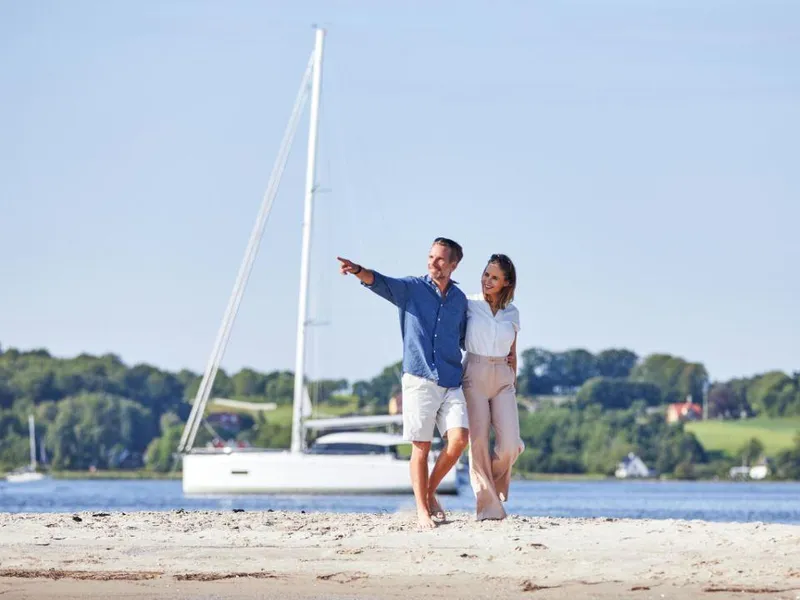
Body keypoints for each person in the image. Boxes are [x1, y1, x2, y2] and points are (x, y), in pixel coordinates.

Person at [337, 238, 469, 530]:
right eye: (431, 257)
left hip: (450, 379)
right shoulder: (411, 288)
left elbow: (465, 337)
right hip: (419, 378)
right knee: (420, 447)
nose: (433, 263)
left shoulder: (460, 300)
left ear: (453, 264)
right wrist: (358, 269)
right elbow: (379, 282)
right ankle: (423, 510)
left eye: (440, 259)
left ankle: (429, 492)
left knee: (459, 440)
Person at [463, 253, 524, 520]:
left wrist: (514, 377)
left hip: (503, 376)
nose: (487, 280)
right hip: (474, 372)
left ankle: (492, 483)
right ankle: (488, 507)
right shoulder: (469, 304)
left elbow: (514, 350)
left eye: (494, 277)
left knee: (511, 445)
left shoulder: (513, 312)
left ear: (506, 282)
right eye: (486, 274)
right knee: (477, 442)